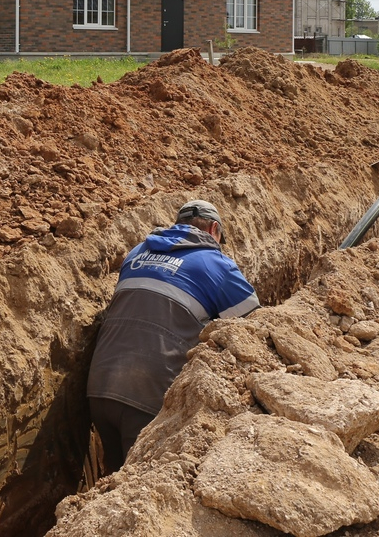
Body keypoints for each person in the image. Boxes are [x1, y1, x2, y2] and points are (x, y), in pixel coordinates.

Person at [87, 199, 260, 472]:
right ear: (214, 229)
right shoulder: (215, 263)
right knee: (139, 487)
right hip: (149, 394)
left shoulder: (136, 253)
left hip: (100, 387)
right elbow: (256, 326)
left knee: (113, 481)